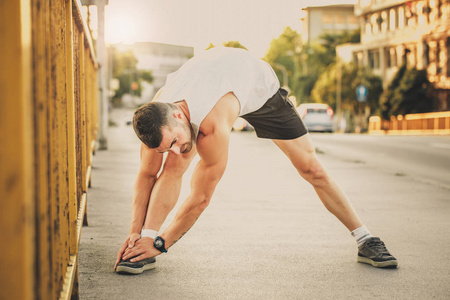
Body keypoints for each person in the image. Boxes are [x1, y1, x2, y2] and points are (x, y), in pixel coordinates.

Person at [114, 47, 397, 274]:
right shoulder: (155, 120)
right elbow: (147, 175)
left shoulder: (212, 126)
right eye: (166, 148)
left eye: (174, 143)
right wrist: (136, 235)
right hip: (214, 73)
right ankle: (142, 246)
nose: (176, 151)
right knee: (174, 166)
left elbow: (200, 197)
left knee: (312, 168)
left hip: (259, 89)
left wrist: (162, 244)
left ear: (178, 115)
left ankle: (366, 239)